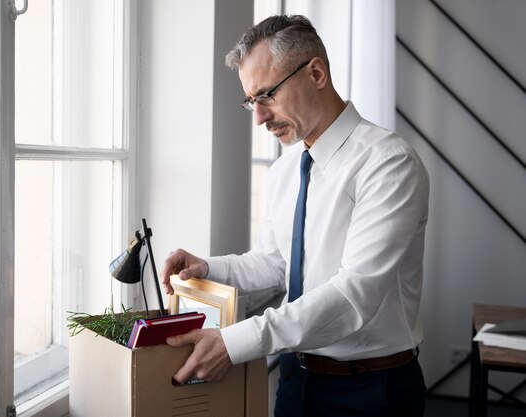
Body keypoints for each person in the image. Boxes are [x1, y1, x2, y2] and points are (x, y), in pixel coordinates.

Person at [162, 14, 429, 417]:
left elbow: (355, 294)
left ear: (316, 73)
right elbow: (275, 264)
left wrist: (236, 342)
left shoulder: (388, 164)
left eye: (266, 95)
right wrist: (207, 268)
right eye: (251, 101)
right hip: (295, 379)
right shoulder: (286, 170)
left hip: (371, 389)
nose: (258, 117)